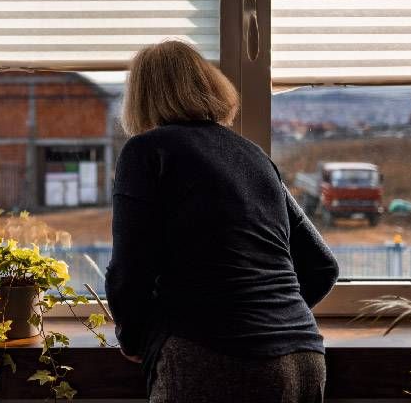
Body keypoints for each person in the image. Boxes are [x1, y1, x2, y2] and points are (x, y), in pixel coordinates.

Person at [106, 40, 339, 403]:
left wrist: (135, 338)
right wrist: (271, 323)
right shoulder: (252, 154)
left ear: (140, 97)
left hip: (211, 357)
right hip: (304, 359)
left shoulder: (147, 150)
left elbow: (129, 267)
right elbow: (322, 266)